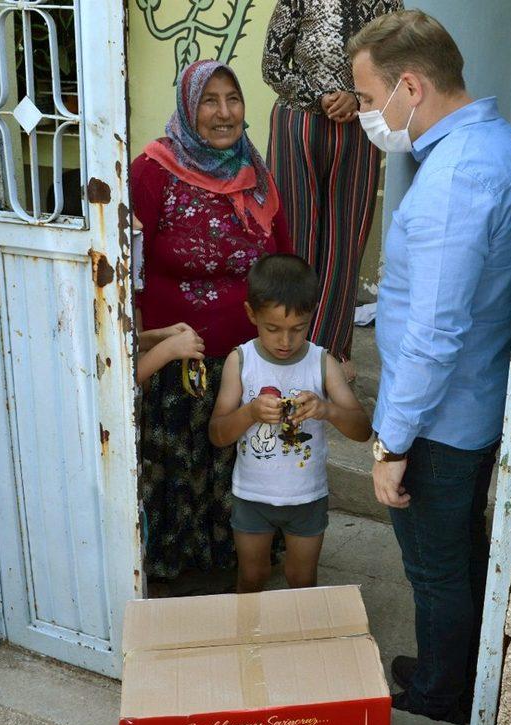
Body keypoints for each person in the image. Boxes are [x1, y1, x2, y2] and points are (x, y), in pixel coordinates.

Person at [348, 10, 511, 723]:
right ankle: (458, 672)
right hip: (473, 398)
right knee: (458, 553)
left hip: (441, 419)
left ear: (411, 87)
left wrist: (392, 443)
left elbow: (432, 332)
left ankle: (441, 695)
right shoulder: (500, 143)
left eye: (367, 99)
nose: (364, 114)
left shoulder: (455, 178)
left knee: (435, 566)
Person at [131, 59, 293, 581]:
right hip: (178, 361)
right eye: (209, 100)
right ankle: (173, 567)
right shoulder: (151, 172)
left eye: (233, 99)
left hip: (248, 360)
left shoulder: (256, 174)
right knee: (178, 469)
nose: (224, 113)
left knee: (245, 469)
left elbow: (282, 260)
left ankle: (237, 561)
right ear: (187, 106)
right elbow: (125, 263)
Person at [209, 254, 372, 592]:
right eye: (273, 329)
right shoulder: (240, 362)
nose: (286, 341)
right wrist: (250, 413)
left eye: (298, 329)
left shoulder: (322, 362)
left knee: (302, 581)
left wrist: (326, 410)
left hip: (307, 497)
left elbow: (361, 429)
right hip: (253, 497)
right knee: (252, 577)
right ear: (252, 314)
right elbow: (218, 434)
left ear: (311, 315)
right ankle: (250, 641)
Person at [262, 0, 403, 382]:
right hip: (300, 124)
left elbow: (397, 66)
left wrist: (356, 98)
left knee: (346, 239)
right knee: (297, 238)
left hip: (359, 127)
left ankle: (331, 352)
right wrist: (320, 97)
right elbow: (272, 66)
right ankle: (286, 351)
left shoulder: (388, 2)